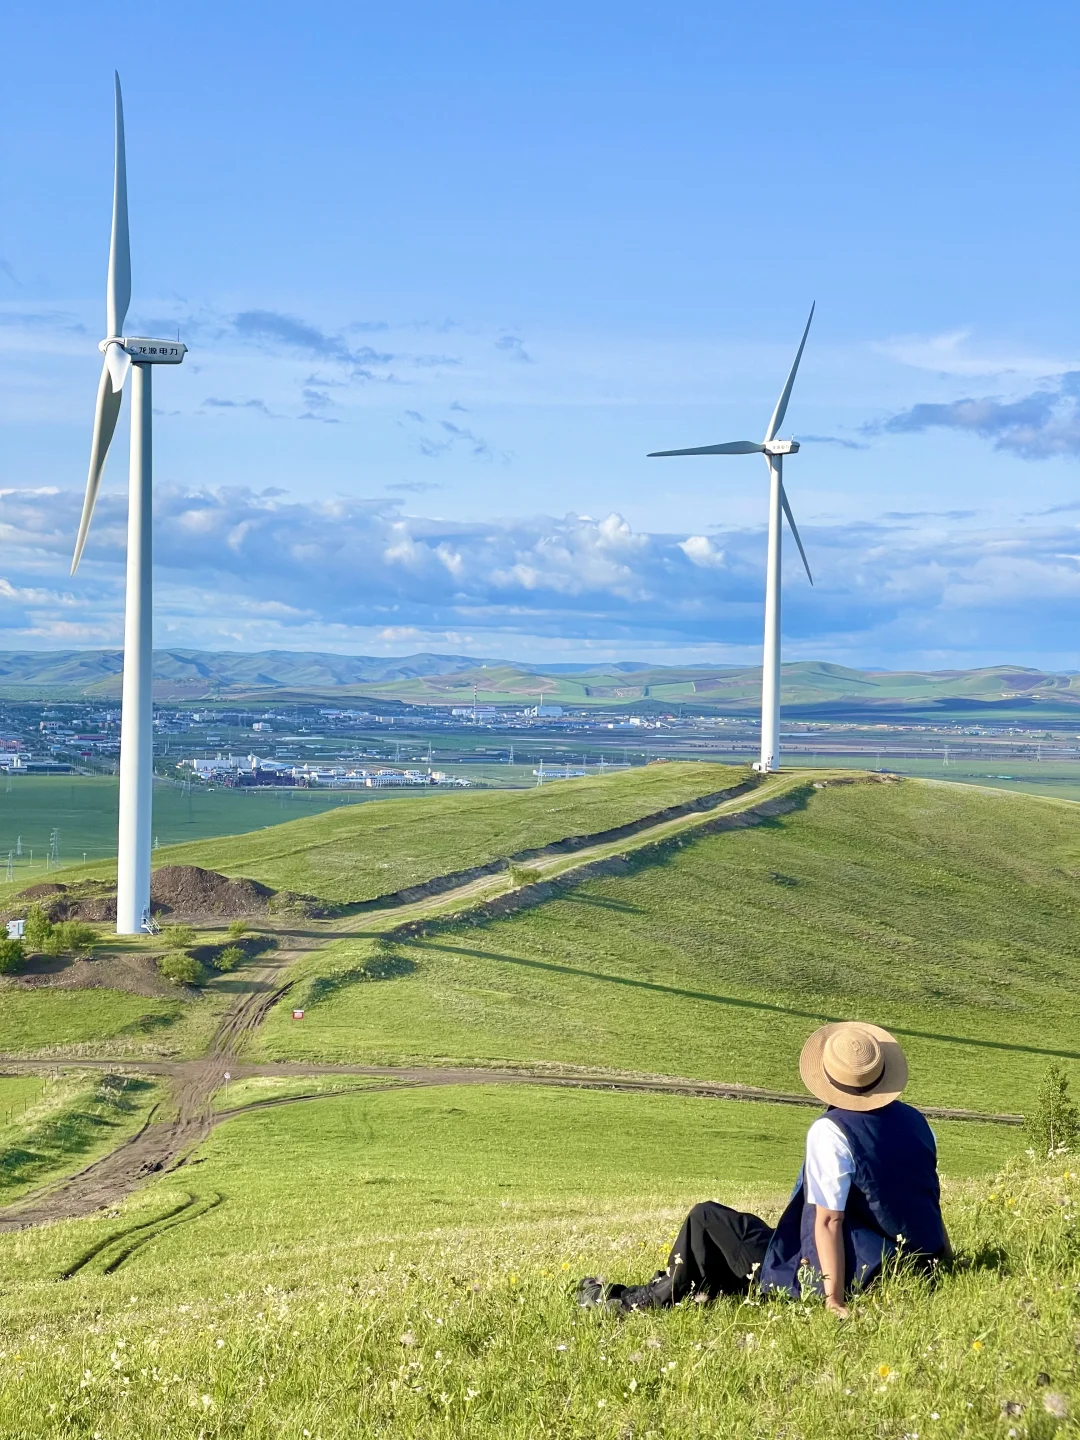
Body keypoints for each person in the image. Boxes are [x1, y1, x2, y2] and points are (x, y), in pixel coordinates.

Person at [578, 1020, 950, 1316]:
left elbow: (828, 1222)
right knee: (742, 1235)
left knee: (705, 1218)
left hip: (858, 1269)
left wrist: (832, 1298)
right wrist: (938, 1258)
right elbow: (922, 1196)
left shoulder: (831, 1132)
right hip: (919, 1260)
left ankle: (637, 1302)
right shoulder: (916, 1121)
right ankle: (693, 1288)